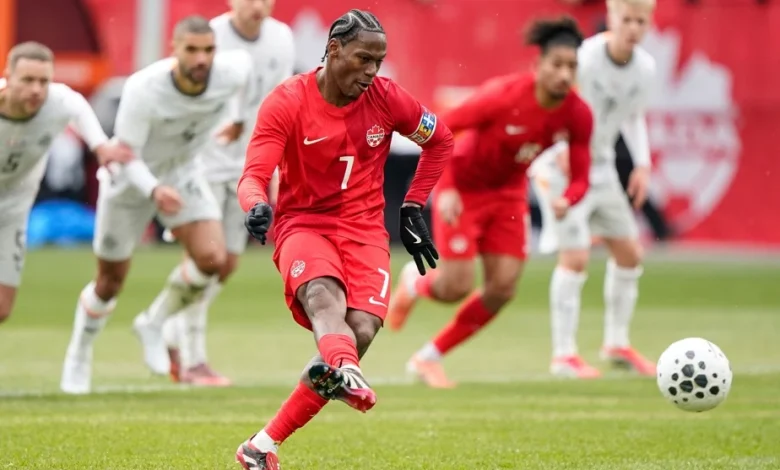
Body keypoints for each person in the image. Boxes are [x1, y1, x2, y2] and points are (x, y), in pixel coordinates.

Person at [233, 9, 453, 469]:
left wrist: (412, 205)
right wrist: (255, 205)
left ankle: (262, 446)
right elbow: (254, 175)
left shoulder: (388, 98)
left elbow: (441, 140)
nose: (373, 71)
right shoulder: (287, 101)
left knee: (362, 330)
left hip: (365, 230)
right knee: (322, 297)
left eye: (380, 60)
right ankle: (348, 370)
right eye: (363, 59)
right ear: (333, 50)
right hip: (303, 225)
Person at [386, 16, 594, 388]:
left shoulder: (577, 114)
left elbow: (581, 175)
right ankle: (414, 284)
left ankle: (427, 358)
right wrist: (445, 186)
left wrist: (568, 198)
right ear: (538, 65)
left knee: (503, 289)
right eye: (557, 65)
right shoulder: (504, 95)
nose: (565, 75)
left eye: (572, 67)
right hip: (464, 188)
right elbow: (442, 128)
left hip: (510, 194)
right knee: (455, 288)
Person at [60, 16, 254, 394]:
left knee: (213, 259)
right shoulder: (143, 87)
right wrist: (152, 189)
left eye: (209, 50)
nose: (201, 59)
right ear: (174, 50)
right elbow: (126, 153)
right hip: (131, 183)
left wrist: (239, 119)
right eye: (192, 50)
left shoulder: (232, 71)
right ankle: (79, 354)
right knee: (109, 282)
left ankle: (154, 321)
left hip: (182, 173)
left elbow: (248, 81)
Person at [160, 0, 295, 387]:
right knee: (207, 258)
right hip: (201, 163)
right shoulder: (210, 37)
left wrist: (277, 167)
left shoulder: (282, 38)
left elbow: (282, 103)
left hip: (249, 167)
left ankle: (168, 328)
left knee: (227, 263)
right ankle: (193, 359)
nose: (257, 6)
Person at [530, 0, 657, 378]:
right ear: (611, 18)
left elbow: (632, 116)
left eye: (640, 21)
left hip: (600, 168)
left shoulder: (645, 68)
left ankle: (616, 342)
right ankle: (563, 355)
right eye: (626, 19)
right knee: (576, 257)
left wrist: (643, 163)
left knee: (629, 253)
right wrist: (558, 146)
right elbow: (550, 100)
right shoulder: (584, 58)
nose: (632, 27)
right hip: (561, 166)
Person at [0, 42, 132, 325]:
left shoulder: (58, 102)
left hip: (12, 213)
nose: (37, 89)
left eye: (43, 81)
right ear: (8, 77)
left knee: (2, 308)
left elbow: (79, 108)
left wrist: (100, 146)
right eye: (27, 80)